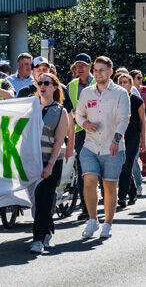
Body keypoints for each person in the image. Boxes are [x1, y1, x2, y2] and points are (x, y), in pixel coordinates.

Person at [76, 56, 130, 239]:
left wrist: (116, 140)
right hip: (90, 146)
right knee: (89, 180)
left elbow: (124, 119)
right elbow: (79, 115)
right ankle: (92, 220)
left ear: (110, 72)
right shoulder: (86, 93)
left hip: (112, 147)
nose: (98, 73)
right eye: (96, 70)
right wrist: (85, 124)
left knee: (109, 186)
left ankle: (108, 223)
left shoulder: (121, 93)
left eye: (102, 70)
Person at [30, 73, 69, 253]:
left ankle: (38, 238)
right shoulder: (31, 107)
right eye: (40, 83)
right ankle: (47, 231)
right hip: (33, 161)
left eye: (47, 83)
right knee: (38, 200)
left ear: (55, 87)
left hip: (51, 161)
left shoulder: (60, 111)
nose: (42, 86)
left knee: (45, 198)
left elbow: (59, 141)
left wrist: (50, 165)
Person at [17, 57, 74, 159]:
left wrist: (70, 145)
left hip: (56, 150)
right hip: (30, 151)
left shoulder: (61, 90)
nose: (41, 72)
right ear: (32, 72)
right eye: (38, 70)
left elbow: (70, 119)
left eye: (45, 70)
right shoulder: (24, 92)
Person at [67, 53, 96, 221]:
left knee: (99, 169)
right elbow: (69, 110)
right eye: (77, 65)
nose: (80, 68)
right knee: (83, 169)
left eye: (83, 65)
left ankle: (103, 201)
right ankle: (85, 208)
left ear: (89, 66)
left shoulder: (98, 82)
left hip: (98, 132)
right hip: (79, 132)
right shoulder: (71, 85)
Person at [116, 74, 144, 207]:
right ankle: (132, 192)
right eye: (120, 82)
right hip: (119, 135)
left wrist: (143, 141)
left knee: (127, 165)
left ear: (131, 84)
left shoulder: (137, 101)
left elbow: (143, 122)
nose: (122, 85)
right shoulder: (115, 100)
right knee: (122, 165)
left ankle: (121, 197)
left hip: (133, 136)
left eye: (125, 82)